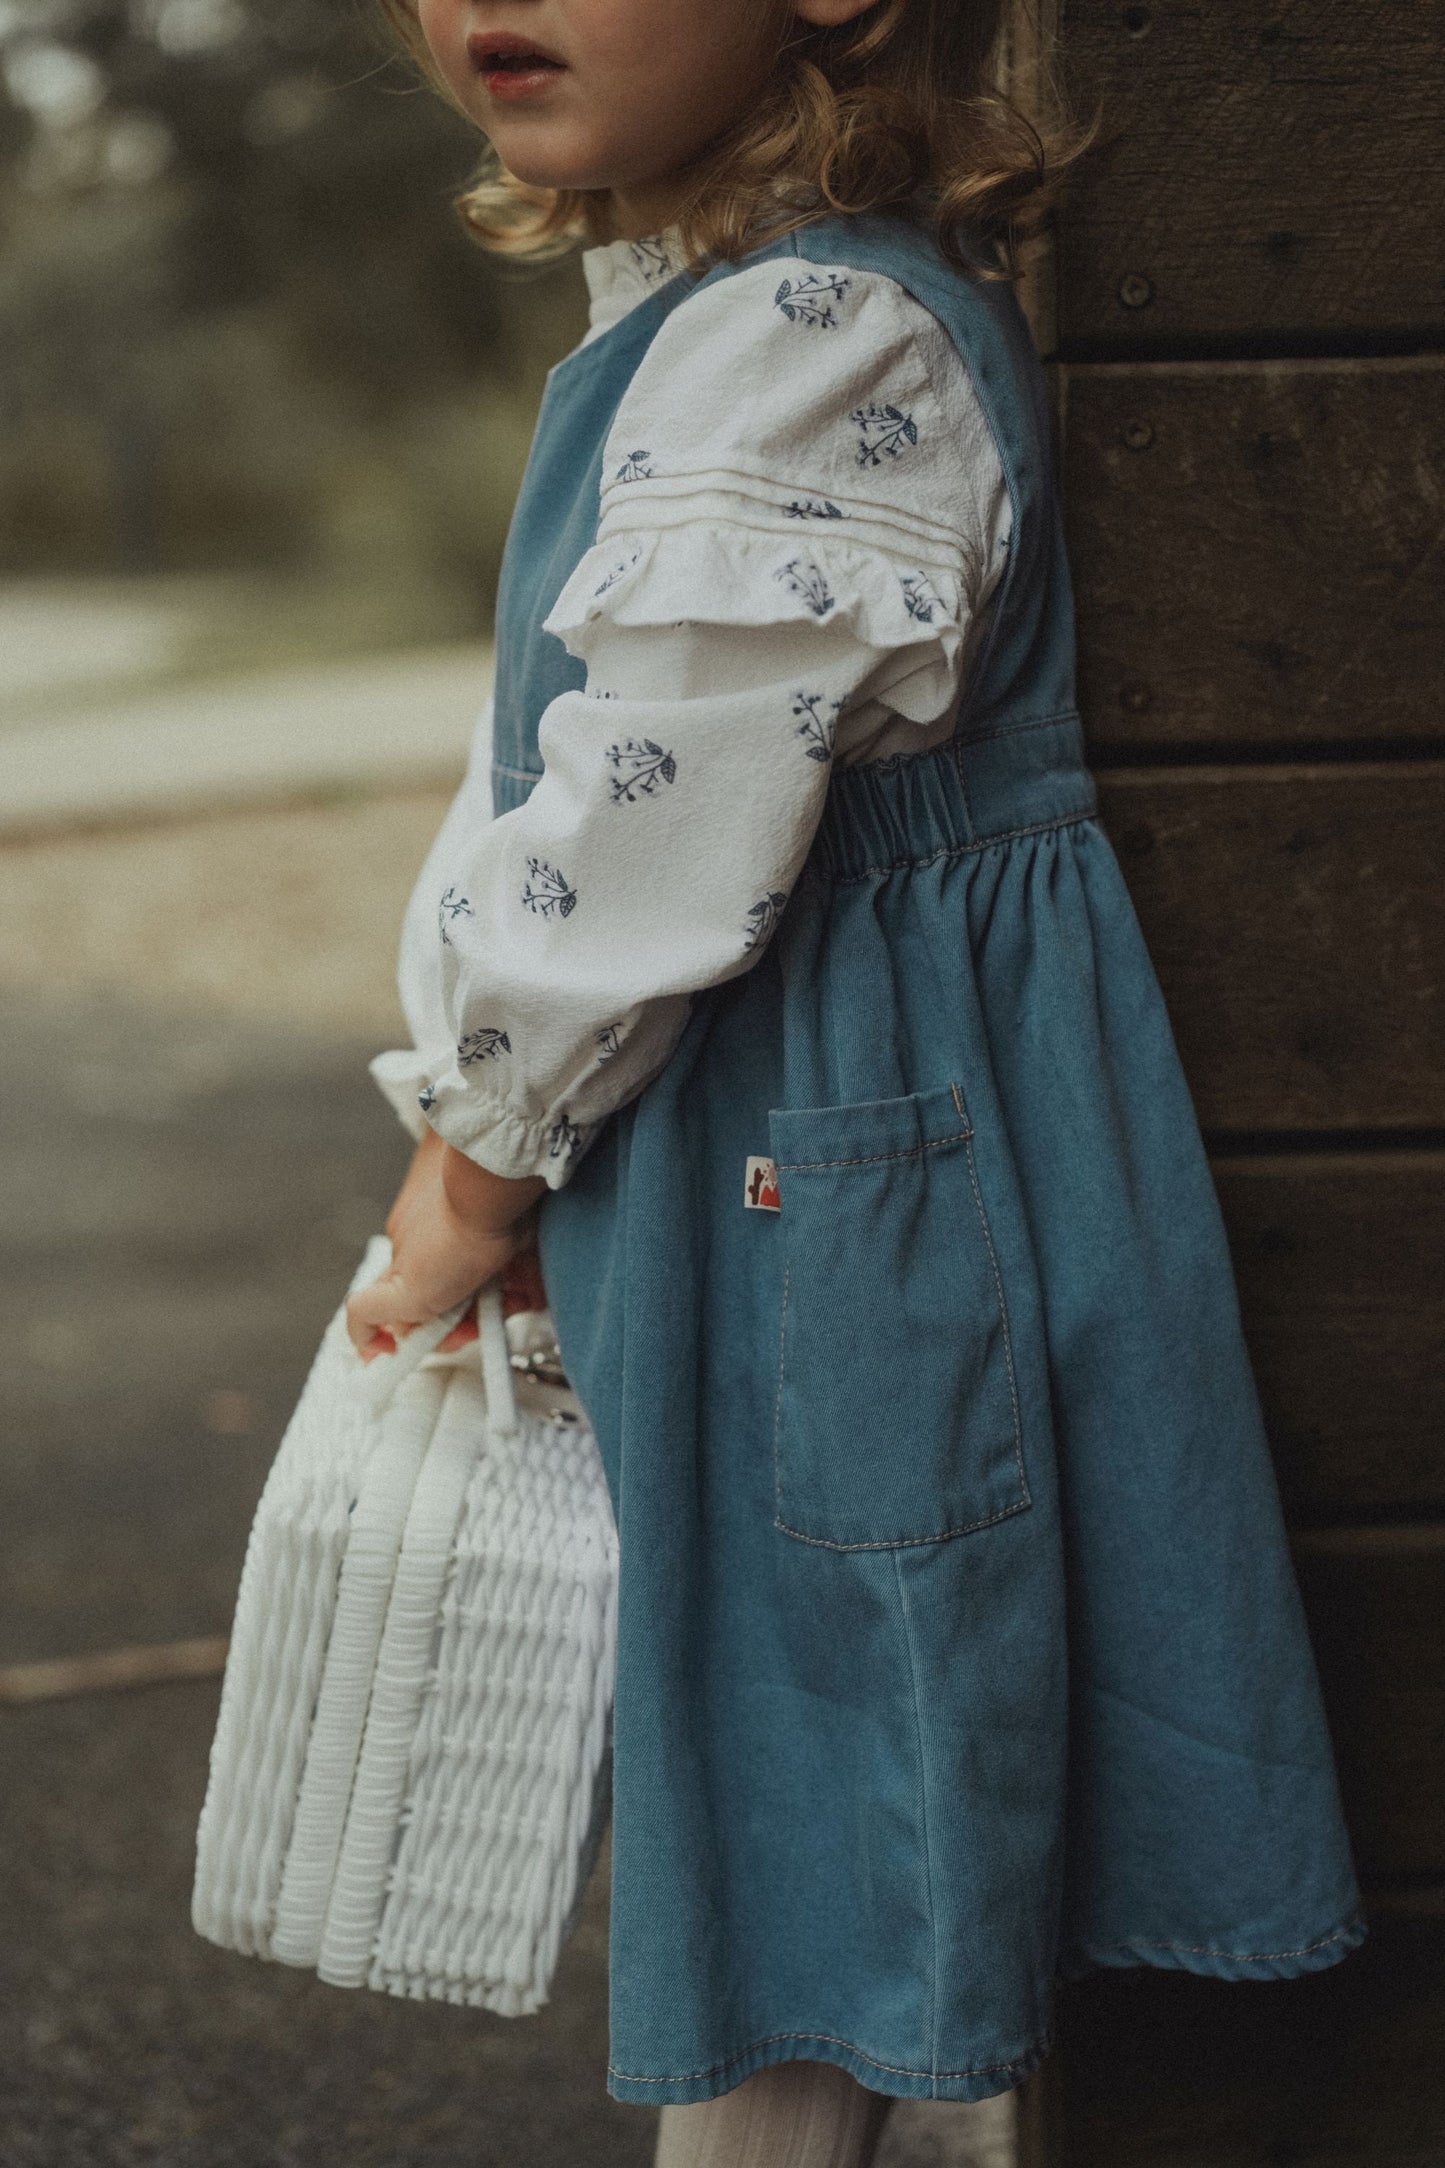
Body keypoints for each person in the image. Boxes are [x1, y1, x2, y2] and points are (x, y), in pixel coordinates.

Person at [344, 3, 1366, 2162]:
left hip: (837, 1163)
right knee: (813, 1722)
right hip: (769, 1141)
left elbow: (642, 831)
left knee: (830, 1733)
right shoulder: (709, 319)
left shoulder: (809, 335)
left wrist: (477, 1163)